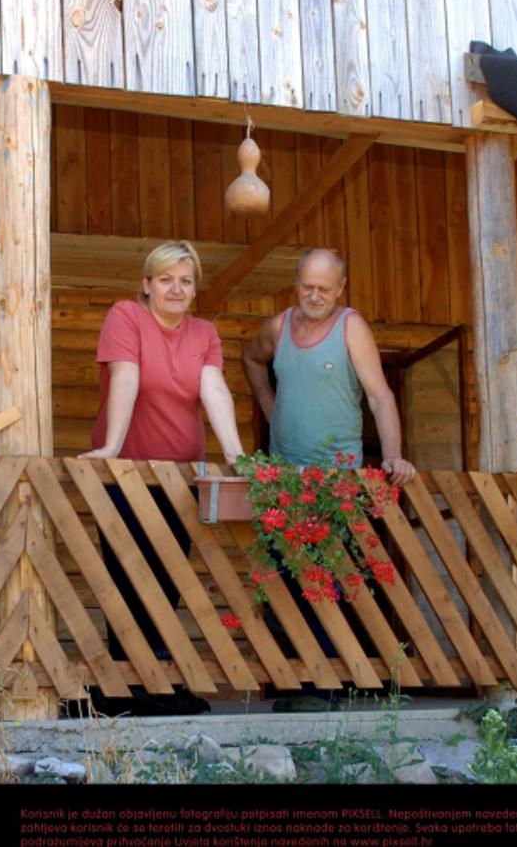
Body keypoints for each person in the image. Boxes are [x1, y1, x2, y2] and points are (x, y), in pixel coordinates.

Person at [242, 247, 416, 710]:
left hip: (335, 480)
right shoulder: (279, 328)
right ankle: (299, 687)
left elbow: (380, 397)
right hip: (283, 480)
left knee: (324, 581)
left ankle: (326, 689)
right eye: (307, 286)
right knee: (283, 583)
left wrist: (393, 456)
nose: (315, 295)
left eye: (324, 288)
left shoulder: (351, 327)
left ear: (341, 288)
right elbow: (251, 359)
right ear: (296, 283)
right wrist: (270, 409)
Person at [78, 240, 244, 716]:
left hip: (180, 477)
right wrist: (111, 448)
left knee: (167, 578)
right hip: (127, 473)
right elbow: (126, 378)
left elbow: (214, 391)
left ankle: (155, 685)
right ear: (147, 284)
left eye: (186, 281)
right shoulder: (126, 316)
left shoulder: (204, 333)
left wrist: (237, 456)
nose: (176, 289)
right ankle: (122, 691)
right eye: (166, 279)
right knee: (127, 578)